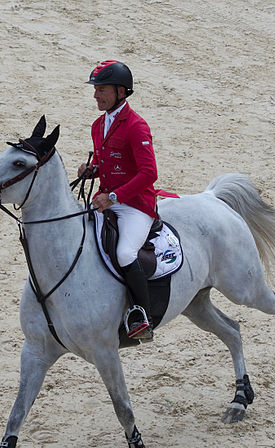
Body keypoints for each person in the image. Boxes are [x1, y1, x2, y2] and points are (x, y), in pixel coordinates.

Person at [78, 60, 159, 341]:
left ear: (121, 91)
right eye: (95, 89)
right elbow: (108, 162)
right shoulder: (98, 125)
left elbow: (149, 173)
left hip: (135, 205)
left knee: (125, 253)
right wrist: (93, 170)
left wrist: (113, 197)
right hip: (106, 200)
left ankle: (142, 315)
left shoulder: (136, 126)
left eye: (101, 90)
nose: (96, 96)